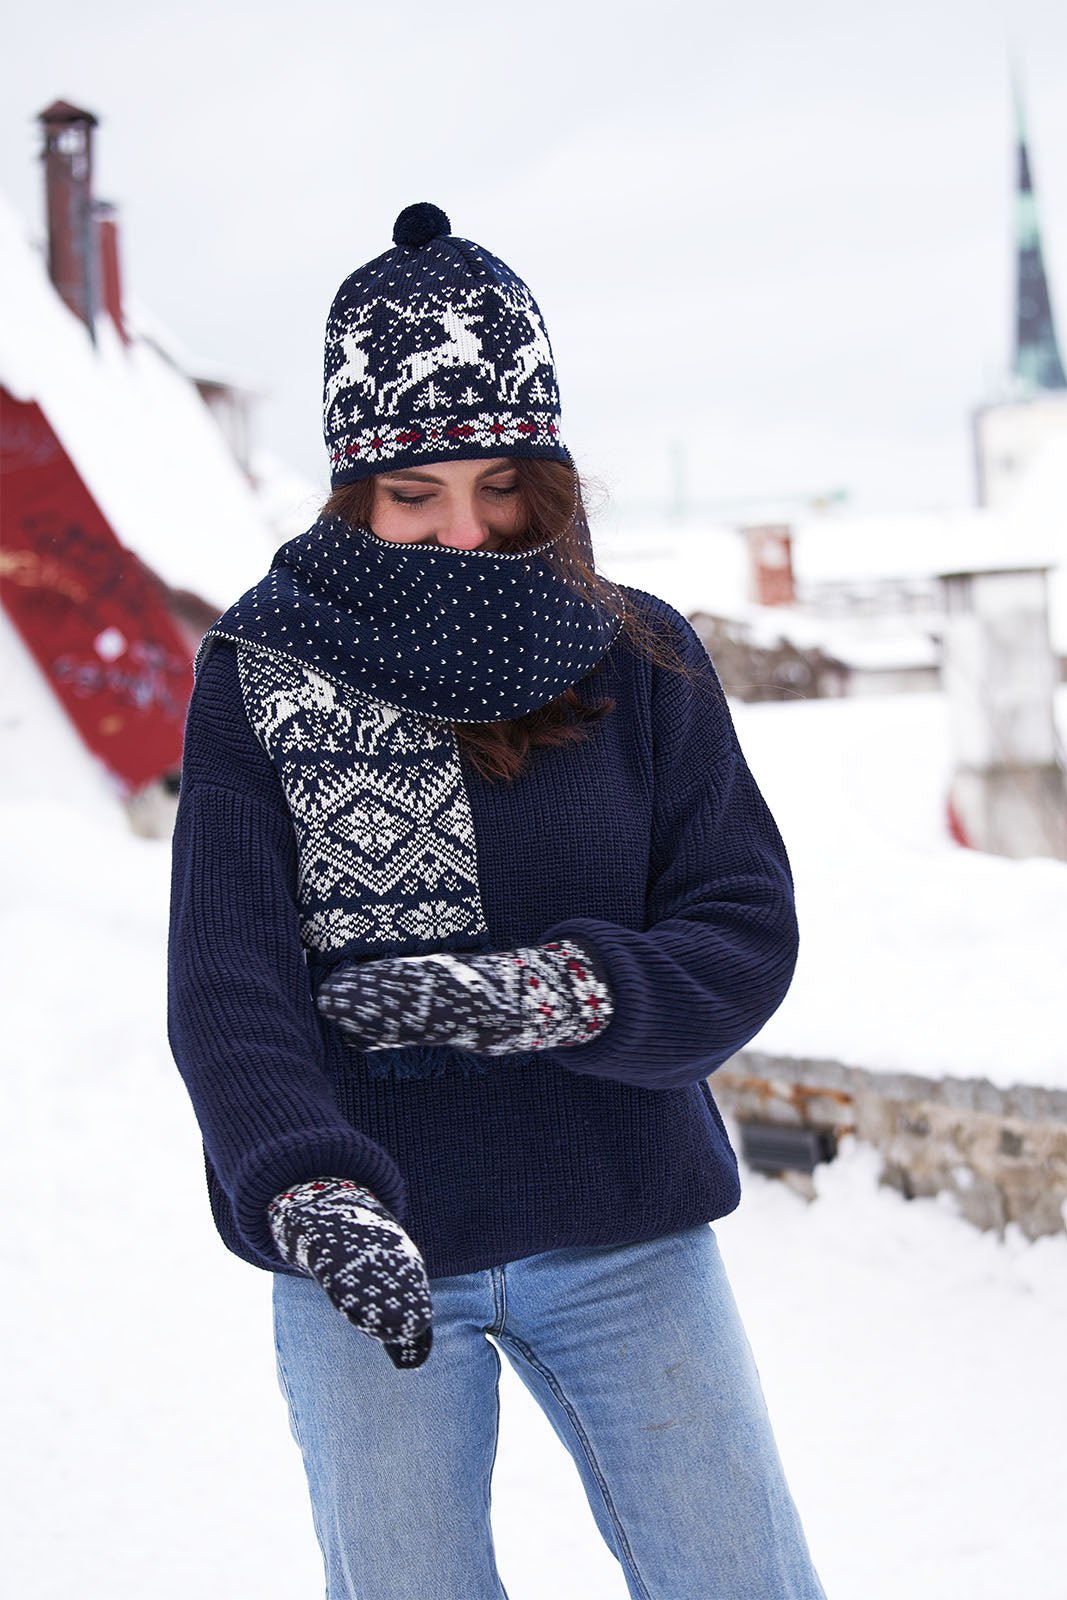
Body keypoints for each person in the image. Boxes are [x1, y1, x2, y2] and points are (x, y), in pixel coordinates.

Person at [167, 202, 827, 1600]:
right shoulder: (261, 670)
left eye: (503, 486)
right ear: (354, 491)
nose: (470, 529)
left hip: (624, 1223)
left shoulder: (640, 654)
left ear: (553, 477)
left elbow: (741, 923)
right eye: (417, 495)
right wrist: (314, 1187)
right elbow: (230, 989)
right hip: (372, 1238)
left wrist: (554, 994)